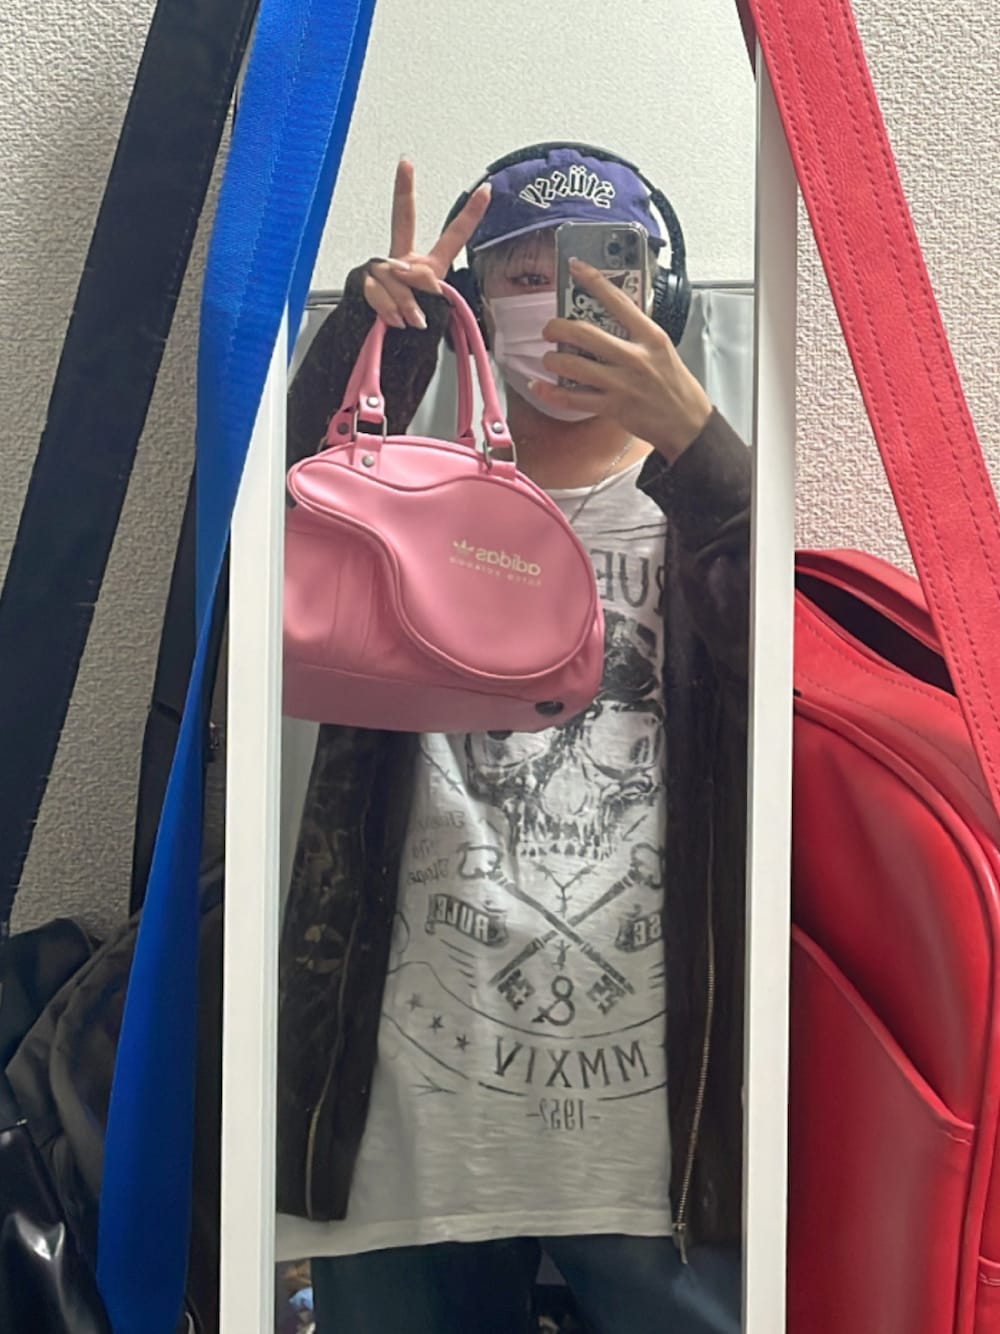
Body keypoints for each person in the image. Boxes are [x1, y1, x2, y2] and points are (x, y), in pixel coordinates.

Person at [276, 146, 750, 1334]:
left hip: (659, 1137)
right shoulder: (399, 501)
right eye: (522, 275)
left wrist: (703, 452)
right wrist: (378, 346)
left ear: (662, 297)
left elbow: (795, 693)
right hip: (406, 1120)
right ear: (476, 301)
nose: (560, 301)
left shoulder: (713, 512)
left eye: (600, 271)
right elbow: (276, 531)